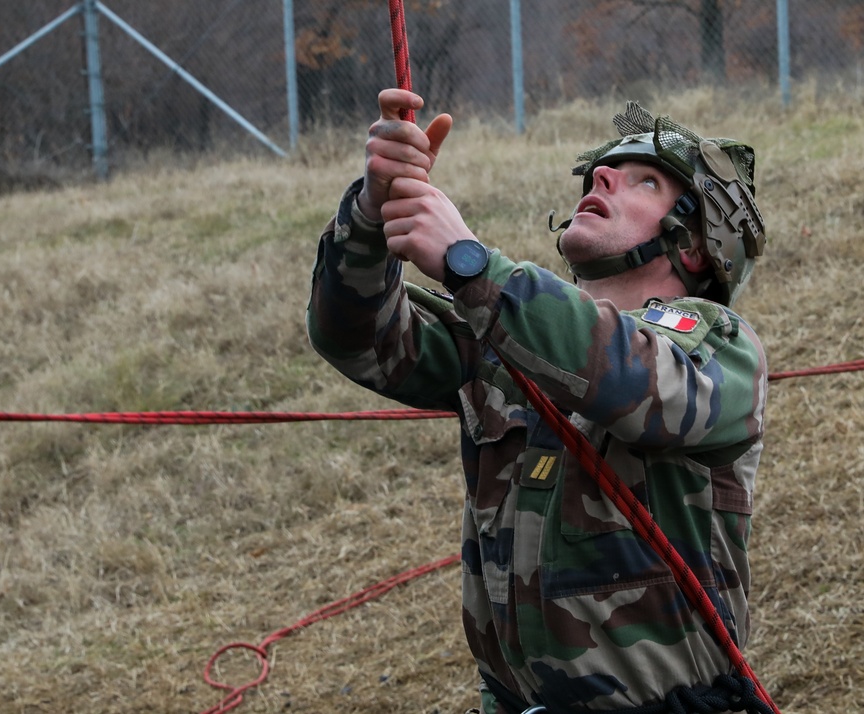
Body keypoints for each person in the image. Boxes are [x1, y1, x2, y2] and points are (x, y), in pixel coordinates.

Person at [306, 89, 768, 714]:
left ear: (691, 244)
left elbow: (635, 381)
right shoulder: (502, 341)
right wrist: (370, 209)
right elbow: (355, 336)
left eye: (646, 182)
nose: (600, 174)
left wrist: (470, 266)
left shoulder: (718, 344)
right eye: (604, 170)